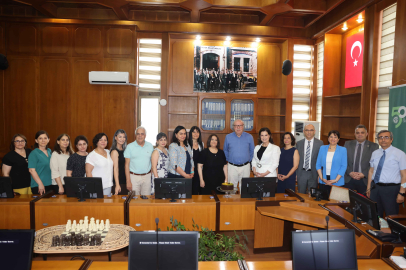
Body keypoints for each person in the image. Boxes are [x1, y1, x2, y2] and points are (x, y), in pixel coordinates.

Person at [367, 130, 406, 217]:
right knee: (374, 215)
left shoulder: (400, 154)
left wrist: (402, 193)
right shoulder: (375, 153)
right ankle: (376, 231)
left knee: (391, 216)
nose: (383, 139)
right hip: (375, 188)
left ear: (391, 139)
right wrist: (368, 187)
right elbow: (371, 171)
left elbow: (404, 176)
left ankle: (392, 231)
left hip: (391, 190)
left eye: (386, 137)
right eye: (380, 137)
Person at [344, 125, 379, 195]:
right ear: (354, 134)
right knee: (346, 202)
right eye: (357, 133)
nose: (360, 134)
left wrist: (364, 174)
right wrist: (350, 172)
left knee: (363, 203)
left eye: (362, 132)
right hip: (349, 178)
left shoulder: (374, 146)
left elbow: (375, 163)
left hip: (364, 180)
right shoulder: (347, 144)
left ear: (367, 134)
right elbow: (343, 160)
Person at [223, 119, 255, 191]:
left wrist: (248, 161)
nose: (238, 127)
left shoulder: (249, 137)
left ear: (243, 126)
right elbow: (225, 150)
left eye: (240, 125)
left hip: (245, 167)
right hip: (232, 166)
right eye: (236, 126)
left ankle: (243, 202)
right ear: (233, 127)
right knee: (231, 188)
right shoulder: (228, 137)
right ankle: (232, 202)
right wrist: (229, 159)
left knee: (244, 188)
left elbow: (252, 151)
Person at [124, 127, 154, 195]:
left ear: (145, 136)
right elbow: (126, 165)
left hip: (147, 177)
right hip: (134, 177)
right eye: (138, 134)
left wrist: (151, 176)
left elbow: (152, 162)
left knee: (147, 200)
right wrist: (128, 181)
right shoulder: (129, 147)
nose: (140, 136)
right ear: (135, 135)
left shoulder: (150, 146)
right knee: (134, 201)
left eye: (142, 134)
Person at [296, 124, 324, 194]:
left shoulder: (320, 143)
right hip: (301, 173)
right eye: (307, 130)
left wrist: (320, 175)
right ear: (303, 132)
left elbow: (321, 160)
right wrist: (296, 174)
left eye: (311, 130)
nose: (309, 132)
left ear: (314, 131)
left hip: (314, 173)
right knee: (301, 194)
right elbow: (296, 160)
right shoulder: (299, 143)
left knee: (312, 195)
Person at [28, 130, 53, 195]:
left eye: (45, 138)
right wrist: (40, 184)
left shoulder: (49, 151)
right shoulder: (34, 153)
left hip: (50, 184)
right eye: (40, 138)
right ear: (36, 141)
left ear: (48, 140)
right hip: (39, 185)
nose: (43, 140)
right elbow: (31, 170)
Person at [110, 129, 128, 195]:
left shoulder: (125, 150)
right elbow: (115, 169)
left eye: (124, 137)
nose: (122, 139)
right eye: (120, 137)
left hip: (125, 180)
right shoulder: (114, 151)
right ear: (115, 138)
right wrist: (117, 185)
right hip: (118, 182)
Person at [189, 126, 204, 195]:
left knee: (198, 189)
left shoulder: (202, 144)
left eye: (197, 132)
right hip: (190, 170)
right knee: (190, 190)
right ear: (190, 133)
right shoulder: (187, 144)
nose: (196, 134)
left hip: (199, 170)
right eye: (194, 132)